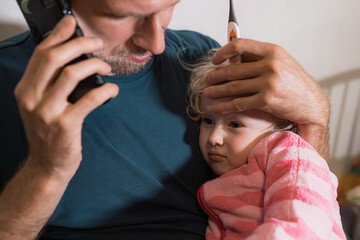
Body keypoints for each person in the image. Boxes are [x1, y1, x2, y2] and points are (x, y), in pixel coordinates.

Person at [0, 0, 330, 239]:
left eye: (169, 5)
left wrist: (315, 118)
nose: (156, 43)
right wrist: (46, 171)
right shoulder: (6, 76)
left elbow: (294, 192)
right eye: (124, 16)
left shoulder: (201, 57)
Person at [186, 57, 346, 239]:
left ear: (279, 126)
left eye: (235, 125)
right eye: (207, 121)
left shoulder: (289, 152)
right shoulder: (220, 181)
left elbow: (303, 212)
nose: (214, 138)